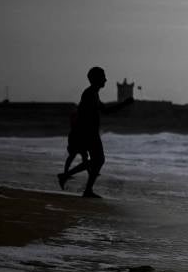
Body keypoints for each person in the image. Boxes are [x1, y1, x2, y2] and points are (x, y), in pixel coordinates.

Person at [56, 67, 133, 198]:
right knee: (99, 160)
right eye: (103, 76)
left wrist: (124, 104)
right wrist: (82, 135)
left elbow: (105, 111)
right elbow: (84, 114)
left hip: (89, 133)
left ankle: (72, 180)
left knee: (98, 160)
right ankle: (82, 187)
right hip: (88, 133)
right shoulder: (90, 94)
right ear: (96, 79)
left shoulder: (94, 94)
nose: (106, 79)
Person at [60, 109, 88, 181]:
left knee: (83, 157)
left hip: (77, 138)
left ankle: (90, 172)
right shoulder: (76, 117)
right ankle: (66, 173)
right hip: (75, 138)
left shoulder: (78, 117)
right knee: (74, 157)